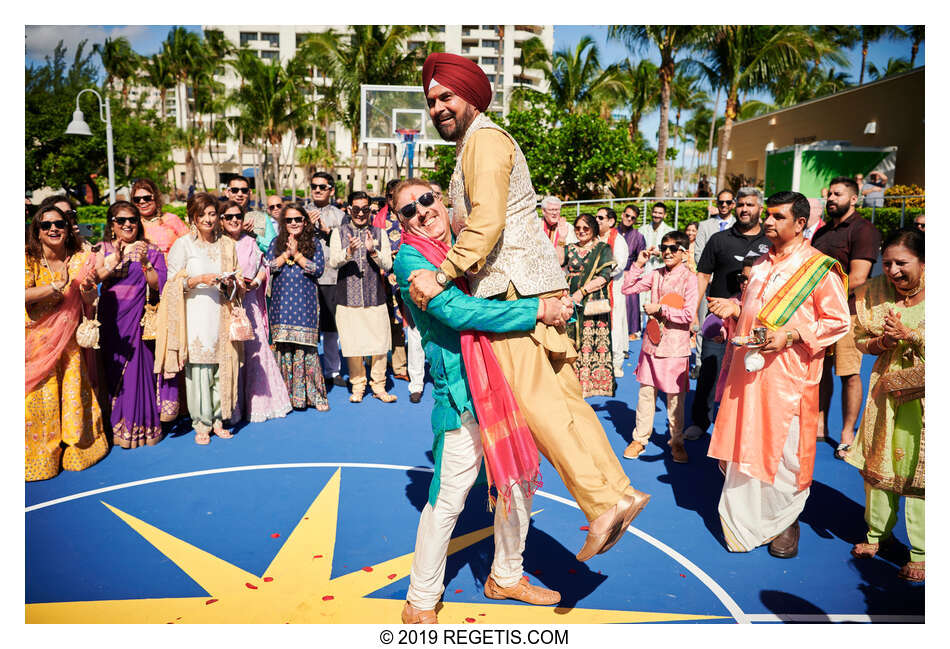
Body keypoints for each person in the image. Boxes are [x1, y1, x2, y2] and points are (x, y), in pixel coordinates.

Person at [408, 52, 649, 561]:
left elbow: (488, 221)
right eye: (432, 102)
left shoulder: (483, 142)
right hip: (540, 287)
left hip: (510, 290)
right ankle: (620, 492)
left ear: (470, 95)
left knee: (541, 408)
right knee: (567, 403)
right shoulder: (488, 142)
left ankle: (600, 504)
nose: (438, 108)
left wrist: (443, 274)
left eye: (446, 97)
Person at [392, 179, 567, 623]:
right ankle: (421, 598)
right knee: (449, 497)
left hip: (505, 382)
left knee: (517, 485)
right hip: (462, 392)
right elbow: (457, 311)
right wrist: (536, 311)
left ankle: (507, 575)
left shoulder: (468, 245)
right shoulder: (411, 259)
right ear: (401, 223)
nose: (421, 212)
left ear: (442, 199)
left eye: (427, 199)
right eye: (408, 210)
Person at [708, 191, 850, 558]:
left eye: (778, 217)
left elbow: (837, 322)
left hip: (789, 379)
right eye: (767, 215)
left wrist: (791, 334)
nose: (768, 222)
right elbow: (753, 312)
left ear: (800, 223)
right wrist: (734, 309)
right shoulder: (760, 265)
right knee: (744, 441)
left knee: (783, 450)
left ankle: (785, 519)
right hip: (748, 372)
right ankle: (745, 520)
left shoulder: (820, 268)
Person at [845, 228, 925, 583]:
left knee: (922, 470)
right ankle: (878, 533)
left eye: (902, 263)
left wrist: (914, 337)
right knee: (881, 459)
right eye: (887, 262)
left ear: (925, 261)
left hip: (928, 401)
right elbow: (861, 341)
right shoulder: (874, 293)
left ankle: (924, 550)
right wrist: (883, 340)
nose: (892, 271)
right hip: (886, 390)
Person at [25, 204, 109, 480]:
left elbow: (89, 302)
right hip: (35, 344)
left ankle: (77, 450)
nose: (53, 229)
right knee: (42, 402)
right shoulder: (26, 258)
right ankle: (40, 459)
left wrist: (87, 293)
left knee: (73, 397)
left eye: (59, 224)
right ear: (36, 231)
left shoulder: (79, 258)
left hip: (69, 343)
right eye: (46, 225)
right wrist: (53, 287)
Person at [685, 187, 771, 442]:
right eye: (741, 204)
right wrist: (694, 313)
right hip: (718, 321)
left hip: (756, 321)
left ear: (760, 209)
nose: (745, 209)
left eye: (750, 205)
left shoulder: (771, 242)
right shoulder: (719, 240)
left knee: (750, 375)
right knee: (709, 369)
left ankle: (741, 426)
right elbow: (702, 277)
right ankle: (700, 421)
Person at [156, 193, 243, 444]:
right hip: (194, 316)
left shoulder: (227, 245)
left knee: (221, 368)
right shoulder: (183, 245)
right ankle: (201, 423)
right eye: (202, 214)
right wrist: (198, 280)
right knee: (199, 371)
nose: (208, 219)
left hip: (222, 314)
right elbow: (171, 285)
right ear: (193, 217)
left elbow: (239, 282)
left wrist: (231, 282)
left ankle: (218, 420)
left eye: (212, 214)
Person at [812, 176, 882, 458]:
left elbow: (858, 278)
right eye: (829, 195)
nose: (831, 199)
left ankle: (846, 433)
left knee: (849, 374)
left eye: (837, 195)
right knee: (820, 373)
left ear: (854, 199)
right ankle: (818, 424)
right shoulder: (821, 232)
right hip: (818, 314)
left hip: (849, 314)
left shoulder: (864, 231)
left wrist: (820, 295)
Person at [95, 201, 169, 448]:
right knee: (112, 371)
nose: (128, 224)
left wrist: (146, 261)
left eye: (132, 220)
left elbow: (158, 285)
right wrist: (113, 260)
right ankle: (113, 424)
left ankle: (140, 427)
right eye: (121, 220)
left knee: (138, 373)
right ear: (112, 225)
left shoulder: (151, 250)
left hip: (137, 321)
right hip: (111, 322)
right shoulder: (101, 249)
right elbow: (92, 279)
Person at [621, 230, 697, 463]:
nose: (667, 252)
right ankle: (640, 439)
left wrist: (661, 310)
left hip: (675, 349)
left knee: (675, 400)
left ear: (683, 253)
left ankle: (676, 442)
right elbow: (626, 289)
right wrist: (638, 263)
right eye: (664, 247)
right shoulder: (654, 274)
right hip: (651, 346)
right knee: (645, 395)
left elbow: (688, 315)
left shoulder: (689, 278)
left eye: (673, 248)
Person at [221, 200, 293, 420]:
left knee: (256, 352)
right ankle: (232, 407)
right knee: (231, 354)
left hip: (250, 302)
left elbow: (264, 266)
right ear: (221, 220)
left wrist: (257, 281)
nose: (234, 220)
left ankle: (260, 404)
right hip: (225, 305)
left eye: (238, 216)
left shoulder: (251, 242)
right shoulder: (218, 244)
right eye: (229, 217)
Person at [329, 191, 396, 403]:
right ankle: (358, 386)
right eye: (356, 209)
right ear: (349, 210)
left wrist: (373, 251)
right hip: (347, 297)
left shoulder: (379, 233)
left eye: (365, 209)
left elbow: (388, 264)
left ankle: (379, 386)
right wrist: (348, 252)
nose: (360, 213)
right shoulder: (338, 232)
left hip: (374, 296)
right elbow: (333, 262)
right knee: (353, 344)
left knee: (379, 344)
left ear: (370, 210)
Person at [266, 203, 329, 411]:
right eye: (289, 220)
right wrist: (285, 255)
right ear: (283, 223)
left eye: (298, 219)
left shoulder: (314, 243)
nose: (294, 223)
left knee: (306, 349)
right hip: (281, 304)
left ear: (305, 221)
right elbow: (268, 267)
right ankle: (286, 397)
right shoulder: (276, 242)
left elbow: (317, 269)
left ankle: (312, 396)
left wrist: (298, 255)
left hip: (305, 304)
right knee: (283, 348)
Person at [564, 213, 616, 398]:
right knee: (569, 342)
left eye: (585, 228)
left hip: (592, 304)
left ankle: (588, 386)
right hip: (570, 304)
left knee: (588, 344)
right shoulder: (568, 248)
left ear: (593, 229)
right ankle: (569, 385)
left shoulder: (603, 248)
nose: (581, 232)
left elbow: (604, 277)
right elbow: (554, 267)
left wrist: (582, 292)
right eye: (577, 228)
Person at [304, 171, 346, 388]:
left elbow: (348, 244)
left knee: (330, 328)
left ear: (331, 189)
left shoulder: (340, 216)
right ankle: (308, 370)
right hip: (304, 279)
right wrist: (307, 227)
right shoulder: (300, 214)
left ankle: (333, 370)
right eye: (314, 186)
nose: (317, 190)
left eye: (322, 186)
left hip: (330, 277)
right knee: (308, 328)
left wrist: (328, 232)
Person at [594, 207, 630, 377]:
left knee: (615, 325)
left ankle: (616, 364)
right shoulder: (593, 238)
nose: (598, 220)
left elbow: (619, 264)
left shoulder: (618, 240)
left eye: (601, 217)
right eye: (596, 217)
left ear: (611, 221)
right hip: (593, 290)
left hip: (612, 288)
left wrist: (599, 273)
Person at [131, 178, 189, 255]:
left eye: (147, 198)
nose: (142, 201)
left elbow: (190, 245)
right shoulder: (132, 224)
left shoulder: (172, 219)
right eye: (137, 199)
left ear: (156, 197)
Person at [225, 176, 276, 254]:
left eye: (244, 190)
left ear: (250, 193)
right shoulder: (218, 217)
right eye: (234, 190)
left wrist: (255, 238)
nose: (239, 194)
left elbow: (272, 249)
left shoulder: (260, 218)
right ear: (227, 193)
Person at [618, 204, 646, 340]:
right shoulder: (612, 232)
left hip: (629, 273)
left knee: (630, 301)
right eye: (627, 215)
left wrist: (630, 272)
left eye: (632, 218)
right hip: (611, 272)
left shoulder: (638, 236)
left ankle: (630, 332)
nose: (629, 219)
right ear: (622, 214)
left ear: (635, 221)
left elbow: (642, 258)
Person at [694, 189, 736, 267]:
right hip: (708, 275)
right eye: (721, 202)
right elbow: (698, 252)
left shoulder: (738, 226)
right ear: (717, 203)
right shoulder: (704, 226)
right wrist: (707, 274)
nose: (724, 205)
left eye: (728, 202)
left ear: (733, 204)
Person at [638, 202, 674, 272]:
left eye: (660, 213)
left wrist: (660, 254)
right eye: (655, 212)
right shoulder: (642, 230)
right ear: (651, 213)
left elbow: (673, 253)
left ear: (665, 215)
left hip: (663, 269)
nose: (657, 215)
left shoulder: (670, 232)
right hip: (643, 270)